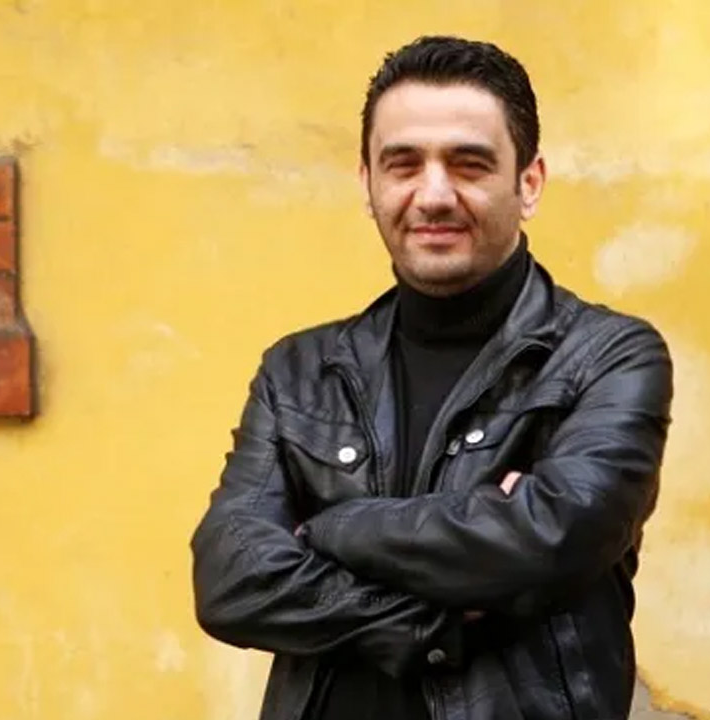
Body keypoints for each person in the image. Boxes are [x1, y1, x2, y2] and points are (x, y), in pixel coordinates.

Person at [191, 35, 673, 720]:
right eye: (404, 164)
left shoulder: (608, 358)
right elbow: (229, 579)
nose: (434, 194)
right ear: (368, 183)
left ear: (528, 183)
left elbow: (552, 535)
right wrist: (431, 623)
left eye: (470, 164)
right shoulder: (297, 373)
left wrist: (333, 528)